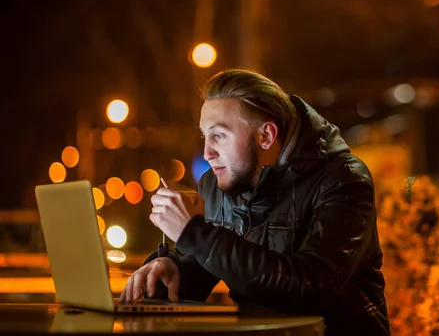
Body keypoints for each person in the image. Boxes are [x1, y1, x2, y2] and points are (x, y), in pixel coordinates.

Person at [121, 69, 390, 335]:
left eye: (219, 136)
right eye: (205, 136)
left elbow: (310, 288)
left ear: (266, 136)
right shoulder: (217, 186)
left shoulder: (343, 179)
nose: (207, 153)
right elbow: (206, 268)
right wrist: (171, 271)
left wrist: (193, 233)